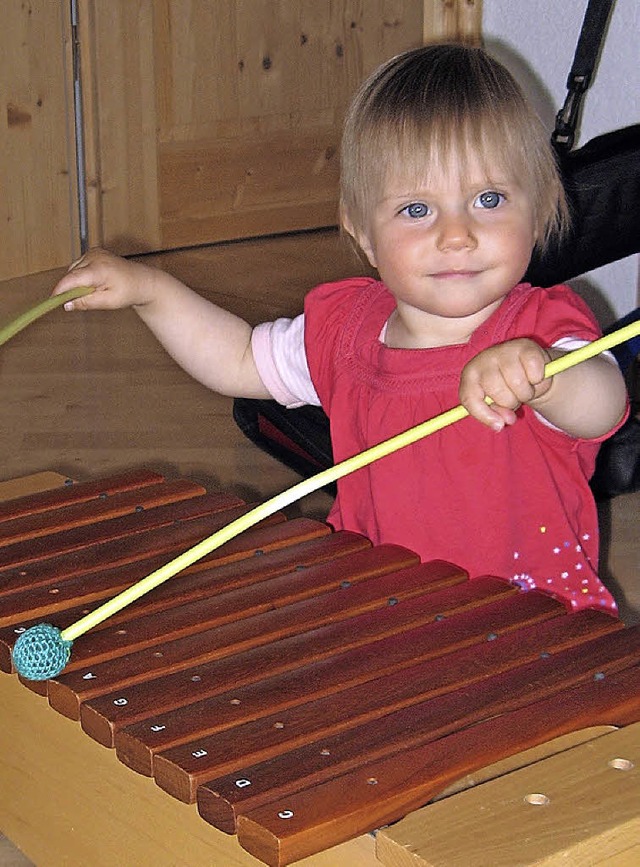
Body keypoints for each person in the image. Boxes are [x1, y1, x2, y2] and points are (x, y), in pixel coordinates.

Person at [53, 44, 628, 614]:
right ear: (362, 232)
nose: (458, 234)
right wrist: (153, 292)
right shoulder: (344, 331)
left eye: (488, 198)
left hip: (530, 629)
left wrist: (545, 378)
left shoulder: (542, 330)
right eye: (416, 210)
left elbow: (602, 404)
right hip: (377, 612)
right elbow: (237, 361)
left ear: (541, 207)